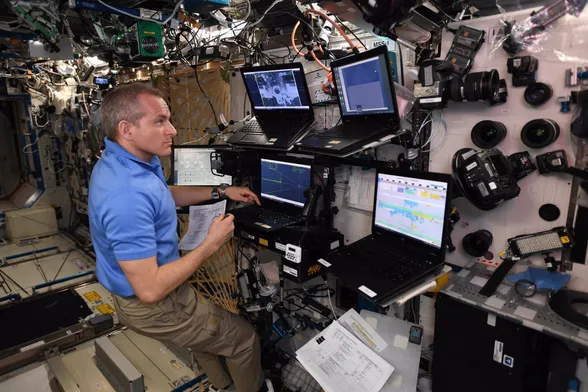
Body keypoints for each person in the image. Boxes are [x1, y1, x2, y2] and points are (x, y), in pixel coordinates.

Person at [88, 83, 267, 392]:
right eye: (159, 121)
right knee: (242, 341)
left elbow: (163, 195)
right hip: (154, 304)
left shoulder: (127, 162)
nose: (172, 130)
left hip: (145, 296)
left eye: (168, 119)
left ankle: (223, 387)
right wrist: (211, 243)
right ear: (126, 129)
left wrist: (220, 191)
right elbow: (150, 289)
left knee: (203, 337)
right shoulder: (126, 194)